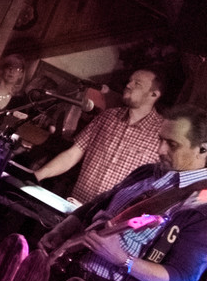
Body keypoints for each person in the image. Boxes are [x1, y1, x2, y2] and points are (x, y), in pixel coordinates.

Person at [37, 105, 207, 281]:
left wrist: (122, 259)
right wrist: (65, 228)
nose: (160, 150)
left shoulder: (201, 206)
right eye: (160, 140)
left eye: (172, 144)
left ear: (203, 149)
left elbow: (180, 279)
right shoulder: (148, 172)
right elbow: (100, 204)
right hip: (69, 277)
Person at [34, 68, 165, 203]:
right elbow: (72, 155)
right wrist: (38, 175)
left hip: (110, 215)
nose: (128, 85)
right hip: (76, 206)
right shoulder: (107, 117)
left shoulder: (162, 134)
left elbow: (156, 188)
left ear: (153, 94)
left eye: (137, 83)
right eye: (130, 81)